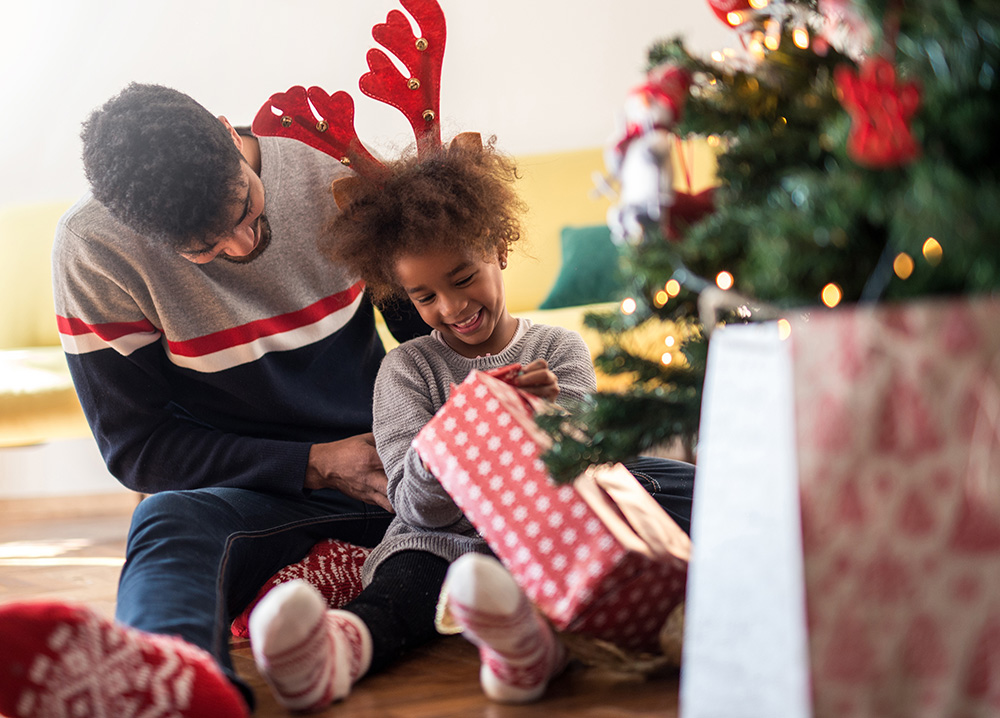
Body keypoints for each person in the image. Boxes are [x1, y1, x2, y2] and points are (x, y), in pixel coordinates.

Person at [0, 82, 429, 718]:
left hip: (396, 474)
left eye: (247, 208)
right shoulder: (95, 253)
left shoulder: (328, 171)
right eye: (204, 248)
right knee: (167, 523)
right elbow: (139, 449)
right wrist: (315, 462)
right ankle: (181, 687)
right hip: (251, 494)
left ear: (230, 134)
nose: (241, 246)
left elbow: (426, 326)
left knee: (612, 475)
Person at [246, 132, 696, 711]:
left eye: (463, 278)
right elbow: (412, 506)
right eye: (425, 296)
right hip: (440, 541)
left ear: (499, 249)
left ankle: (532, 647)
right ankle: (337, 651)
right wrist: (454, 433)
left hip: (548, 534)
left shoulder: (558, 349)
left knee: (657, 489)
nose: (452, 307)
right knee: (403, 584)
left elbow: (591, 466)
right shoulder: (406, 370)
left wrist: (549, 417)